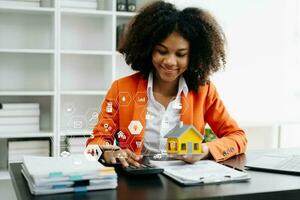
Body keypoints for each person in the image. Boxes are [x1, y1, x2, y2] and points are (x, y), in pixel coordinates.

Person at [86, 1, 247, 168]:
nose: (170, 62)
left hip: (186, 187)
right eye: (162, 51)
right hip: (137, 183)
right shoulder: (121, 89)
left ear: (193, 56)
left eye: (181, 54)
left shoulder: (204, 91)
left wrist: (205, 149)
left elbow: (237, 137)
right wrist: (108, 151)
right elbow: (97, 141)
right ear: (148, 49)